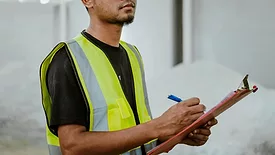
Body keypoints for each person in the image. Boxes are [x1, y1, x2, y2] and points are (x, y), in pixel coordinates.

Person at [39, 0, 218, 155]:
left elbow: (134, 136)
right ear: (87, 1)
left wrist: (175, 133)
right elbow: (73, 147)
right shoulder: (68, 58)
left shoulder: (132, 55)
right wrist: (158, 126)